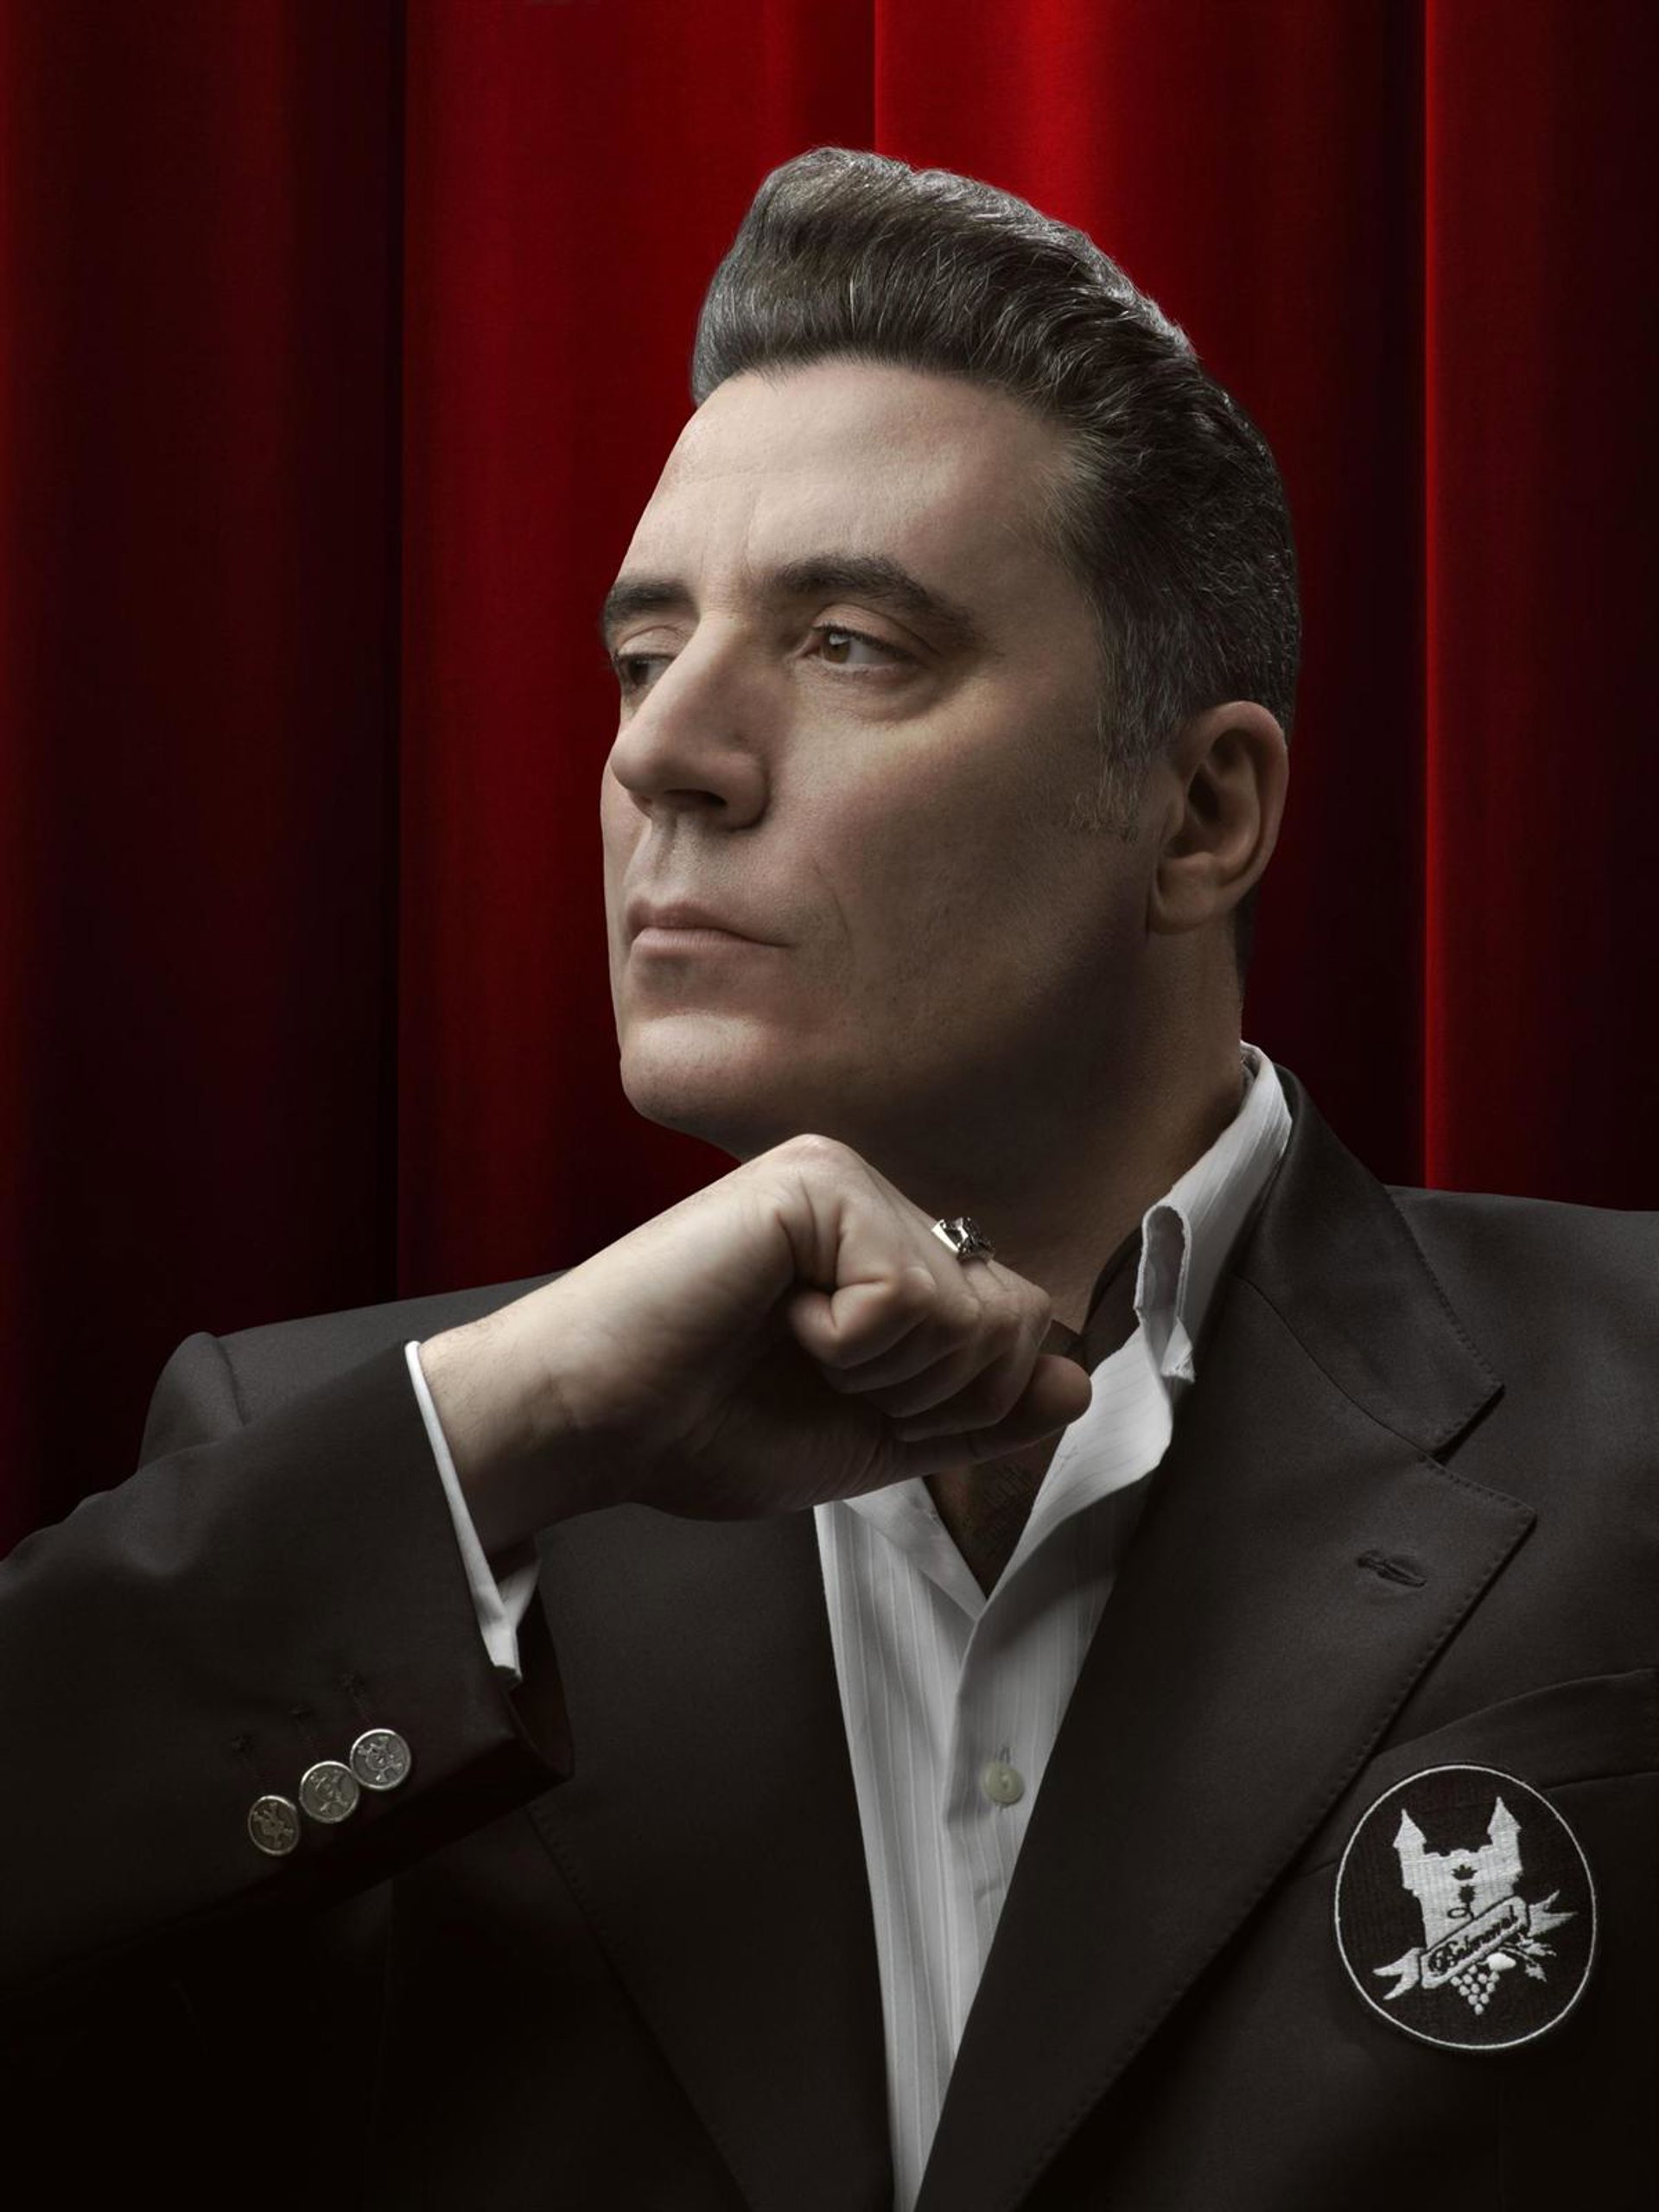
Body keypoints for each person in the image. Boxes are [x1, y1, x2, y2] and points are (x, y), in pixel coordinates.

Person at [2, 148, 1652, 2212]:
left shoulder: (1636, 1399)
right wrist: (499, 1436)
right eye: (641, 654)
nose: (661, 755)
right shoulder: (375, 1465)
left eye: (852, 641)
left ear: (1202, 810)